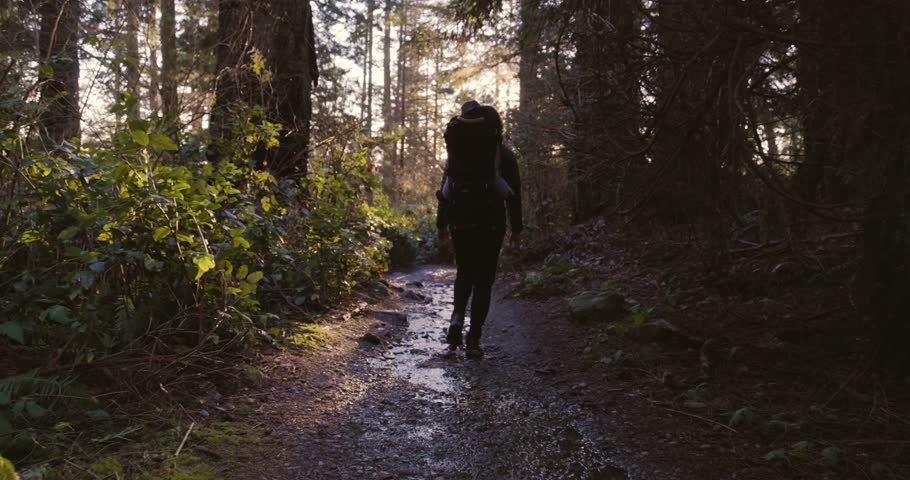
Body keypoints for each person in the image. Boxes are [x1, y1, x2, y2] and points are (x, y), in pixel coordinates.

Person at [436, 100, 523, 359]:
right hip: (491, 223)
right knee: (484, 281)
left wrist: (441, 227)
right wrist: (517, 231)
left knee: (464, 273)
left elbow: (445, 191)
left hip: (460, 221)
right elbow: (514, 196)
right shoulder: (503, 154)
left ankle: (456, 318)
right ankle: (473, 340)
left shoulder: (456, 154)